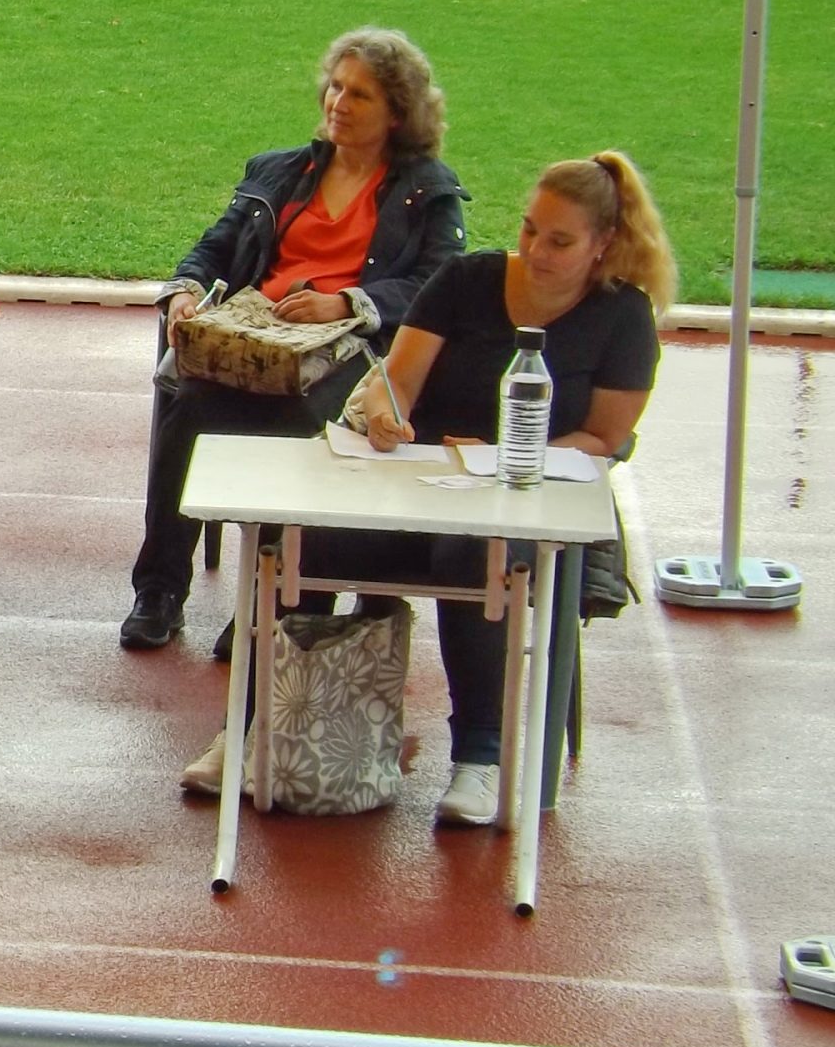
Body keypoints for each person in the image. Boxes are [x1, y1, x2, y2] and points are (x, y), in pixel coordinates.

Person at [183, 153, 675, 826]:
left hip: (517, 502)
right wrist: (388, 412)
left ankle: (481, 758)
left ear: (604, 245)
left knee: (476, 553)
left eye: (560, 241)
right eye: (530, 229)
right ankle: (242, 730)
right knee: (298, 537)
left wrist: (503, 458)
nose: (536, 250)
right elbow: (399, 378)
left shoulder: (624, 317)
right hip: (410, 484)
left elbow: (605, 437)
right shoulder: (467, 280)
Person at [121, 30, 467, 654]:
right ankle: (159, 591)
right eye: (335, 87)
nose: (338, 103)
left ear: (397, 112)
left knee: (304, 424)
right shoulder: (281, 171)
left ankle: (272, 603)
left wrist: (347, 302)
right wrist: (185, 289)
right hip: (256, 346)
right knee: (187, 409)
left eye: (359, 94)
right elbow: (215, 245)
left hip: (350, 358)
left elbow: (436, 285)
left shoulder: (429, 190)